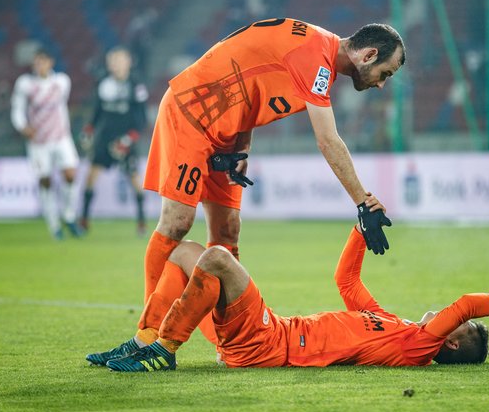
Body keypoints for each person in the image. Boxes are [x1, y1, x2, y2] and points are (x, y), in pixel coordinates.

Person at [138, 19, 405, 345]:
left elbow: (248, 80)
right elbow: (327, 140)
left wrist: (241, 148)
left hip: (227, 130)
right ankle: (147, 334)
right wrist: (362, 202)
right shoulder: (316, 57)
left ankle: (231, 339)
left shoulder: (319, 52)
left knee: (227, 232)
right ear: (368, 55)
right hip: (193, 112)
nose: (381, 85)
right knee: (177, 221)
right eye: (385, 74)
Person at [85, 196, 489, 372]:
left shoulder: (417, 348)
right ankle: (145, 338)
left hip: (268, 343)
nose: (453, 320)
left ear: (449, 345)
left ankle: (162, 353)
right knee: (184, 253)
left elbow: (469, 302)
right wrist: (362, 228)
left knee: (216, 257)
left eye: (461, 329)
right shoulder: (394, 326)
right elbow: (346, 280)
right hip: (266, 334)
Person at [11, 48, 81, 240]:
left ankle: (68, 215)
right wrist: (23, 127)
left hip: (61, 138)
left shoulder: (61, 82)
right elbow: (17, 110)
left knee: (70, 174)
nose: (39, 65)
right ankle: (54, 225)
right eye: (36, 62)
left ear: (50, 62)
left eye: (43, 61)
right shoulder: (25, 84)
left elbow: (62, 107)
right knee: (45, 180)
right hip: (38, 142)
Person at [79, 46, 149, 235]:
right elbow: (97, 110)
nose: (115, 64)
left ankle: (142, 222)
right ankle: (84, 220)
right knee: (91, 176)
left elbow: (142, 119)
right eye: (112, 60)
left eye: (119, 60)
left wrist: (129, 139)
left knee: (134, 178)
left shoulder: (136, 85)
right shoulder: (102, 82)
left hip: (126, 138)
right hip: (105, 137)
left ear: (128, 62)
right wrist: (89, 128)